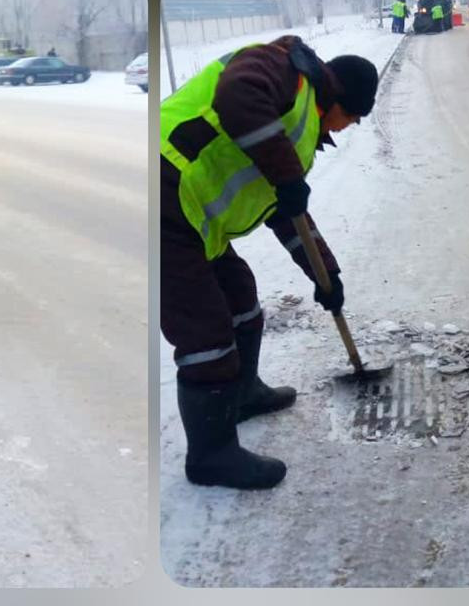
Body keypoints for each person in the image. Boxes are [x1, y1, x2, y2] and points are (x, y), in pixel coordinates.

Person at [161, 36, 379, 489]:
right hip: (158, 193)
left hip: (192, 214)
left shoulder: (296, 118)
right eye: (352, 118)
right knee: (205, 331)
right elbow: (237, 94)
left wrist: (326, 276)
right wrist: (286, 175)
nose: (346, 128)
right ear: (337, 98)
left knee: (239, 292)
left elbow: (287, 210)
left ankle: (242, 393)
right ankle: (211, 456)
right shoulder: (283, 65)